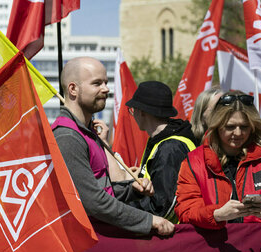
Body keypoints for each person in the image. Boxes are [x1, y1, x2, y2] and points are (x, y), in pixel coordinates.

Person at [52, 57, 173, 236]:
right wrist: (148, 220)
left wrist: (131, 189)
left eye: (106, 82)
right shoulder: (67, 136)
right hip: (86, 248)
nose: (106, 89)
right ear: (73, 89)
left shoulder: (86, 133)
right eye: (97, 83)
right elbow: (94, 202)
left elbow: (102, 189)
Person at [175, 92, 261, 229]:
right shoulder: (194, 161)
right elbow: (185, 210)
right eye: (230, 127)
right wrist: (217, 214)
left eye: (244, 127)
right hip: (215, 247)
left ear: (253, 126)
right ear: (217, 126)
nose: (238, 133)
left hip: (260, 246)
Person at [125, 81, 197, 221]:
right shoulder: (163, 140)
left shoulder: (170, 148)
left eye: (132, 110)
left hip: (172, 235)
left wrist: (123, 211)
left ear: (142, 112)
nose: (133, 115)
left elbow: (163, 207)